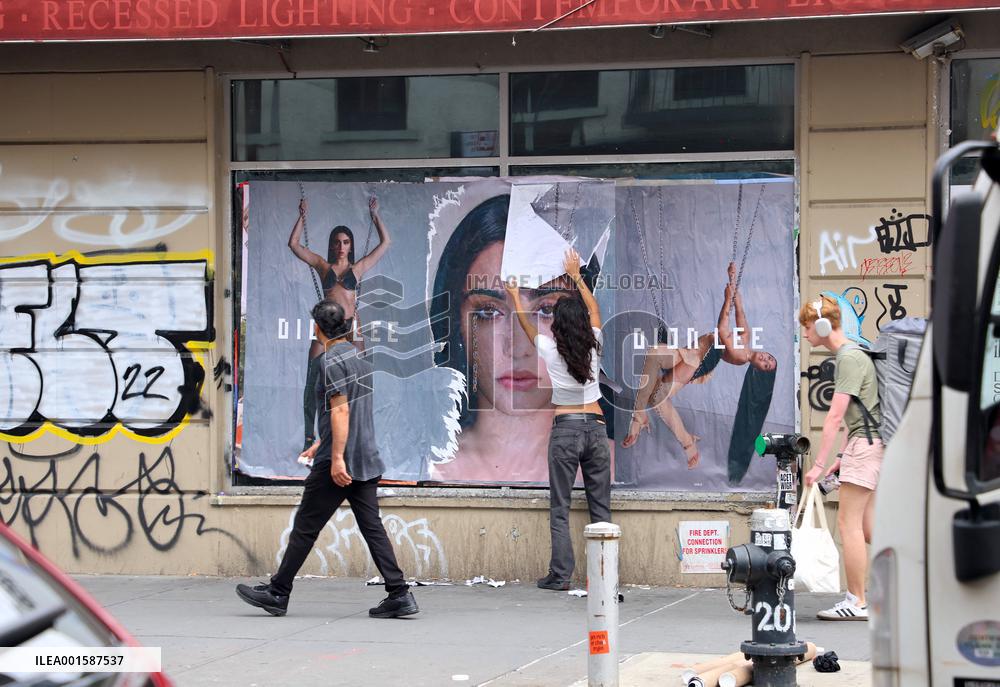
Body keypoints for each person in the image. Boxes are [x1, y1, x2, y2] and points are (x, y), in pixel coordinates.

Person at [236, 299, 418, 619]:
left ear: (317, 328)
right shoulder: (360, 359)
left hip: (341, 463)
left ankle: (278, 592)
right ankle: (399, 593)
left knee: (306, 526)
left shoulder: (330, 360)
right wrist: (322, 441)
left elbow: (343, 410)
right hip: (365, 457)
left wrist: (334, 458)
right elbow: (351, 412)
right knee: (372, 527)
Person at [428, 195, 570, 482]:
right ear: (456, 323)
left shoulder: (616, 469)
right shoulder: (425, 467)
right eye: (489, 311)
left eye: (546, 310)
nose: (518, 347)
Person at [506, 248, 610, 591]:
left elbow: (524, 322)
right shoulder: (594, 342)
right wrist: (576, 276)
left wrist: (513, 296)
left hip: (565, 430)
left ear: (556, 325)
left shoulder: (551, 349)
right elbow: (594, 309)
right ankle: (604, 575)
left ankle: (560, 575)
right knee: (600, 508)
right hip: (595, 428)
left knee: (561, 507)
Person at [623, 262, 777, 471]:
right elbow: (738, 305)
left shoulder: (741, 355)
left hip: (700, 360)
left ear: (758, 369)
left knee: (659, 397)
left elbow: (722, 329)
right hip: (693, 350)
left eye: (767, 365)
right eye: (770, 358)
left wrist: (725, 301)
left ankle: (686, 441)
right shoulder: (746, 338)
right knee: (654, 352)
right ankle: (639, 414)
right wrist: (731, 277)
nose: (766, 360)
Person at [800, 293, 883, 621]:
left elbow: (835, 417)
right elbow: (860, 413)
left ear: (822, 325)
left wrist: (818, 467)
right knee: (870, 530)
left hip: (865, 447)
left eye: (807, 327)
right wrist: (840, 457)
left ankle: (856, 601)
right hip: (868, 444)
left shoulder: (848, 358)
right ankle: (907, 585)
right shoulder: (856, 354)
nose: (806, 334)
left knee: (848, 525)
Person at [289, 195, 391, 452]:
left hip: (351, 327)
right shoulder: (323, 267)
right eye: (337, 242)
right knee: (312, 381)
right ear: (332, 245)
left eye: (345, 242)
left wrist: (375, 217)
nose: (341, 246)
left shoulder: (357, 269)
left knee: (361, 382)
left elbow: (385, 243)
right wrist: (302, 218)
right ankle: (309, 437)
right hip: (326, 326)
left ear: (350, 245)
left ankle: (358, 435)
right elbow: (294, 245)